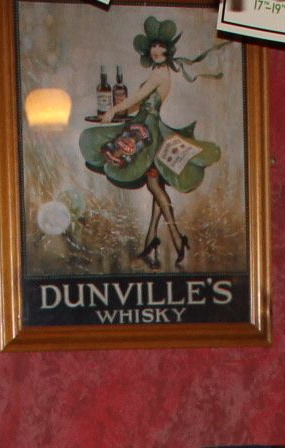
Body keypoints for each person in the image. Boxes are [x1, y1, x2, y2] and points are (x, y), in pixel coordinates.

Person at [81, 17, 230, 269]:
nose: (157, 51)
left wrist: (113, 110)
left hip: (148, 132)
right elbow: (139, 103)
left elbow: (139, 97)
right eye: (153, 47)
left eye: (161, 47)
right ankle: (155, 242)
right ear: (148, 50)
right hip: (143, 124)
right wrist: (119, 112)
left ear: (167, 50)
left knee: (151, 182)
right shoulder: (157, 72)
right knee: (154, 185)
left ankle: (174, 237)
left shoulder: (161, 74)